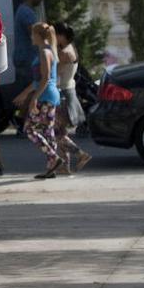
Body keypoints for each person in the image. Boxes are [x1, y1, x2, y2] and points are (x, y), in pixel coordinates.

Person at [15, 22, 64, 179]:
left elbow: (45, 78)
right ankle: (51, 168)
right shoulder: (48, 51)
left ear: (37, 35)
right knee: (47, 132)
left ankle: (54, 158)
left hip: (45, 96)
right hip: (50, 95)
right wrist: (25, 94)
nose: (30, 37)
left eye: (32, 34)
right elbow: (40, 80)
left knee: (30, 129)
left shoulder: (44, 52)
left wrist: (33, 99)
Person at [51, 22, 92, 175]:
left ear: (61, 35)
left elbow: (56, 74)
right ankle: (65, 166)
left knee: (57, 133)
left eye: (55, 34)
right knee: (61, 132)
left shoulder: (65, 53)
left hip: (63, 94)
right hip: (68, 91)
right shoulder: (70, 48)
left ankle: (80, 154)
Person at [12, 0, 44, 133]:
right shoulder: (26, 13)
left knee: (29, 91)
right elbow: (35, 33)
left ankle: (24, 122)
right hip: (27, 59)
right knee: (29, 91)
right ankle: (23, 122)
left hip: (26, 58)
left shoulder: (25, 11)